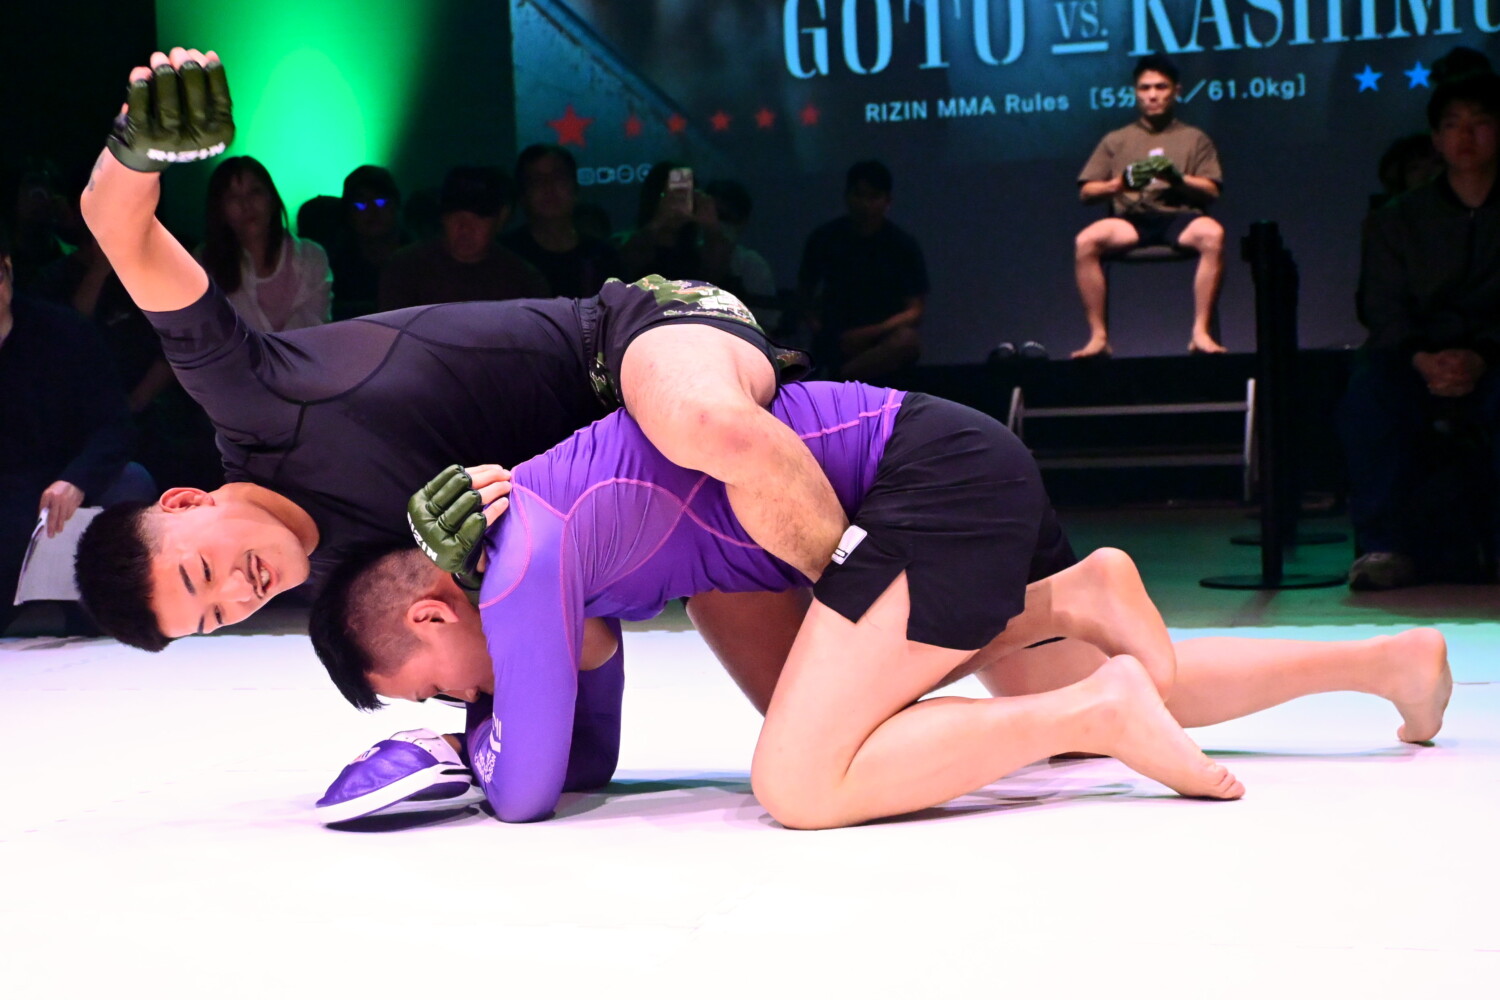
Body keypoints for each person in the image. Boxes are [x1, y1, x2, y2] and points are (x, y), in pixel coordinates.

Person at [310, 381, 1452, 829]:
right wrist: (493, 731)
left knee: (801, 782)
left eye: (437, 691)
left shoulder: (514, 556)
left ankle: (1093, 706)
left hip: (919, 483)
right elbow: (579, 767)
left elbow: (521, 793)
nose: (464, 702)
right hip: (933, 475)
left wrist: (457, 752)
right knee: (867, 712)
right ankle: (1390, 664)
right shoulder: (553, 579)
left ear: (429, 616)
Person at [73, 49, 845, 696]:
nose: (239, 592)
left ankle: (876, 593)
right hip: (667, 506)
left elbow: (117, 226)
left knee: (701, 424)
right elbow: (576, 644)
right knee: (809, 727)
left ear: (185, 501)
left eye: (202, 573)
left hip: (637, 342)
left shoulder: (248, 395)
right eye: (216, 616)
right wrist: (481, 583)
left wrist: (137, 149)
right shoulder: (352, 590)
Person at [1341, 73, 1500, 590]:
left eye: (1480, 122)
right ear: (1436, 138)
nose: (1466, 136)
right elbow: (1380, 305)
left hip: (1493, 356)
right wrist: (1422, 357)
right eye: (1453, 125)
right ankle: (1384, 546)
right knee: (1369, 394)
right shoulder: (1399, 218)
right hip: (1415, 357)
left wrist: (1482, 355)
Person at [0, 220, 156, 634]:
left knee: (130, 481)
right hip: (8, 502)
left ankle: (93, 605)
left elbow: (115, 425)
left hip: (68, 487)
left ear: (7, 269)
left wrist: (76, 480)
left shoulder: (62, 333)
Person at [1072, 55, 1226, 358]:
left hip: (1180, 217)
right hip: (1131, 220)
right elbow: (1087, 192)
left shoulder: (1194, 138)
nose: (1152, 95)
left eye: (1160, 87)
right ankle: (1098, 336)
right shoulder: (1117, 139)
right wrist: (1118, 185)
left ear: (1176, 91)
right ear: (1135, 92)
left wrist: (1178, 178)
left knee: (1213, 234)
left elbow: (1212, 190)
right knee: (1086, 241)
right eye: (1145, 88)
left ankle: (1200, 331)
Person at [796, 160, 928, 383]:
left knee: (907, 341)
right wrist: (818, 327)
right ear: (847, 196)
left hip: (882, 338)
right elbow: (804, 293)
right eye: (859, 195)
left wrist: (871, 333)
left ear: (887, 201)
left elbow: (915, 310)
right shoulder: (825, 239)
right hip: (836, 334)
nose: (865, 205)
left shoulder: (902, 245)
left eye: (873, 197)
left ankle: (840, 378)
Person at [377, 165, 548, 310]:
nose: (465, 228)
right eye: (455, 215)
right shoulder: (404, 269)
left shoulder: (523, 280)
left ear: (502, 216)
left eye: (479, 217)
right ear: (443, 217)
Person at [199, 155, 331, 332]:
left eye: (255, 192)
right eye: (232, 197)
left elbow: (313, 328)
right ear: (220, 209)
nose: (246, 204)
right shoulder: (204, 264)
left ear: (272, 198)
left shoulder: (311, 258)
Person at [501, 144, 619, 299]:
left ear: (575, 188)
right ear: (523, 195)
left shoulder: (602, 257)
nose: (548, 187)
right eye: (536, 180)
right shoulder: (505, 258)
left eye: (558, 177)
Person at [326, 166, 405, 321]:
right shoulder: (332, 266)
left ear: (396, 206)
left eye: (381, 202)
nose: (372, 211)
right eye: (360, 204)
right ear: (348, 214)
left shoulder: (420, 260)